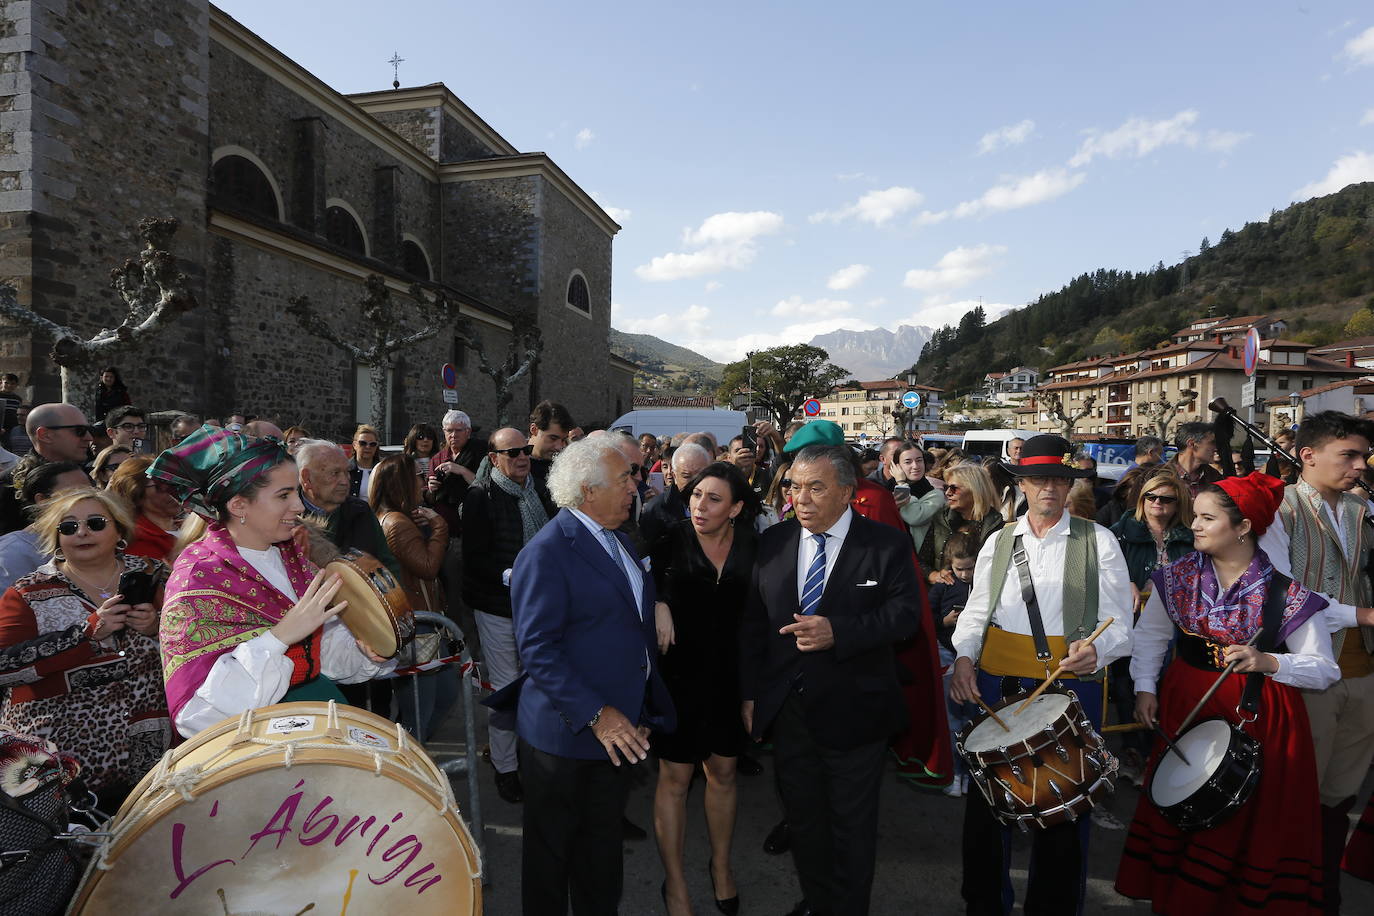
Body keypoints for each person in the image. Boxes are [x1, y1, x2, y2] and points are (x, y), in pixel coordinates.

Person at [1116, 474, 1344, 914]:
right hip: (1185, 703)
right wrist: (1145, 687)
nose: (1195, 526)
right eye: (1195, 516)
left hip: (1257, 716)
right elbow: (1150, 637)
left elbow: (1322, 670)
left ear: (1242, 527)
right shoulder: (1175, 576)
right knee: (1182, 809)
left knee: (1241, 826)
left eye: (1206, 517)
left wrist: (1271, 662)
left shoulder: (1287, 593)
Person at [950, 433, 1133, 916]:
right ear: (1022, 484)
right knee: (988, 813)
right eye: (1037, 478)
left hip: (1070, 689)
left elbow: (1121, 626)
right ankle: (985, 905)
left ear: (1068, 485)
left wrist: (1099, 651)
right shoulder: (997, 540)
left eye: (1056, 478)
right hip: (998, 683)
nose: (1048, 487)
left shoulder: (1101, 541)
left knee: (1065, 814)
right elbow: (975, 612)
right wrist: (965, 657)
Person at [739, 443, 920, 916]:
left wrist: (839, 632)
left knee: (851, 826)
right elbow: (754, 626)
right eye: (795, 486)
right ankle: (818, 901)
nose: (802, 498)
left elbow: (905, 618)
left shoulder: (885, 544)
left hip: (856, 711)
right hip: (790, 712)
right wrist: (751, 694)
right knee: (804, 821)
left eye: (816, 488)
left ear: (846, 492)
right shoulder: (774, 542)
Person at [503, 436, 674, 915]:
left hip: (617, 733)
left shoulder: (618, 537)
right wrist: (599, 715)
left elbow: (621, 617)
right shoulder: (548, 551)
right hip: (567, 735)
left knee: (600, 858)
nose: (635, 487)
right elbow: (536, 648)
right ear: (587, 490)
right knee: (551, 863)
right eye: (624, 479)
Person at [152, 424, 393, 738]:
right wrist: (278, 638)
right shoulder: (198, 576)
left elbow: (320, 654)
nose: (298, 506)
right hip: (251, 741)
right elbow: (195, 714)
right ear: (238, 505)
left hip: (314, 714)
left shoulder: (292, 558)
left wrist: (366, 650)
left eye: (296, 492)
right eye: (284, 495)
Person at [1253, 410, 1374, 911]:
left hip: (1363, 668)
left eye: (1363, 456)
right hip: (1309, 668)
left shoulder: (1359, 508)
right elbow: (1282, 596)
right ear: (1308, 455)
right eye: (1349, 455)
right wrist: (1362, 613)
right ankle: (1286, 892)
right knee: (1298, 789)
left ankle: (1321, 889)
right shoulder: (1279, 510)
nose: (1360, 465)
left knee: (1341, 793)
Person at [0, 487, 169, 811]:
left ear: (119, 530)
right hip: (61, 759)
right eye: (68, 527)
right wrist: (85, 634)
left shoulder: (155, 574)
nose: (82, 532)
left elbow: (194, 643)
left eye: (95, 523)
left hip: (150, 750)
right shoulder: (29, 592)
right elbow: (6, 667)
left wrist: (155, 626)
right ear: (57, 538)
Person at [651, 462, 759, 916]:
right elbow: (635, 584)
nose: (700, 505)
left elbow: (762, 621)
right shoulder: (666, 539)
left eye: (714, 499)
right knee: (675, 778)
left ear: (735, 508)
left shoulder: (757, 546)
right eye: (696, 495)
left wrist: (754, 690)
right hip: (678, 677)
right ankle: (674, 883)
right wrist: (656, 602)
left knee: (724, 774)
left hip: (731, 679)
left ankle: (721, 867)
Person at [463, 427, 556, 804]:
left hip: (541, 605)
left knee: (540, 682)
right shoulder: (479, 497)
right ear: (493, 458)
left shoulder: (543, 491)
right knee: (505, 687)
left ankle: (533, 754)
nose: (522, 458)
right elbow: (473, 558)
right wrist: (510, 576)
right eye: (513, 452)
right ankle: (505, 767)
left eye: (527, 451)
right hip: (498, 607)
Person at [295, 437, 401, 713]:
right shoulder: (287, 518)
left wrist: (389, 606)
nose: (344, 480)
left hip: (366, 632)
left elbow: (386, 563)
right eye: (334, 473)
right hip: (311, 647)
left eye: (347, 473)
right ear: (306, 478)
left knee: (374, 712)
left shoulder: (360, 510)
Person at [370, 453, 454, 739]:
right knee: (420, 709)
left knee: (440, 698)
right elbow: (429, 568)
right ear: (402, 483)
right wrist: (440, 526)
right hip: (419, 627)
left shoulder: (394, 518)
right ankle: (408, 764)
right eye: (416, 477)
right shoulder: (396, 523)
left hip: (422, 623)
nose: (422, 482)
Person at [929, 532, 977, 797]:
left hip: (975, 659)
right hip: (947, 655)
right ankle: (954, 773)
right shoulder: (944, 585)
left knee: (972, 719)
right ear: (949, 565)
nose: (966, 574)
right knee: (952, 719)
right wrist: (944, 623)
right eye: (960, 569)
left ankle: (968, 774)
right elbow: (925, 617)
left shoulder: (985, 583)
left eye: (970, 567)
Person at [0, 404, 95, 535]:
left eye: (89, 430)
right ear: (45, 435)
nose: (89, 438)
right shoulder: (7, 484)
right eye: (80, 430)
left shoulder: (84, 475)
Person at [0, 461, 90, 590]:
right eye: (75, 494)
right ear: (42, 501)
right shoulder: (12, 553)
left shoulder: (98, 537)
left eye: (91, 492)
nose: (87, 500)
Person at [927, 462, 1004, 586]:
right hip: (943, 598)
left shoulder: (996, 527)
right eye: (946, 487)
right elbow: (920, 560)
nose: (947, 493)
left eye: (954, 488)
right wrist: (933, 575)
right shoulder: (941, 519)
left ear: (975, 490)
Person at [106, 455, 184, 563]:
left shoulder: (191, 527)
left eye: (175, 484)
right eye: (160, 487)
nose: (173, 492)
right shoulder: (138, 542)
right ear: (136, 495)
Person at [641, 442, 711, 547]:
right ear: (674, 475)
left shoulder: (720, 504)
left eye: (700, 475)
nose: (694, 481)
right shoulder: (656, 509)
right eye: (686, 476)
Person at [890, 441, 946, 569]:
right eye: (908, 462)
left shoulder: (935, 494)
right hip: (891, 556)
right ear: (896, 466)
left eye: (919, 460)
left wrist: (901, 483)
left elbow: (914, 516)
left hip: (918, 563)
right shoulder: (887, 489)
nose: (915, 466)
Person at [1165, 421, 1222, 496]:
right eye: (1212, 443)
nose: (1216, 448)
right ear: (1192, 444)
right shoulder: (1160, 475)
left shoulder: (1214, 476)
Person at [527, 399, 575, 484]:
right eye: (553, 438)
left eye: (564, 440)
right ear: (534, 429)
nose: (559, 447)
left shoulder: (568, 466)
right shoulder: (515, 463)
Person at [726, 432, 771, 498]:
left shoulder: (767, 476)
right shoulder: (722, 478)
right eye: (738, 450)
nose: (743, 453)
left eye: (747, 449)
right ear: (729, 457)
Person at [347, 423, 381, 499]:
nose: (368, 447)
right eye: (362, 443)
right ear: (354, 445)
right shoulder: (345, 470)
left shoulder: (383, 470)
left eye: (372, 444)